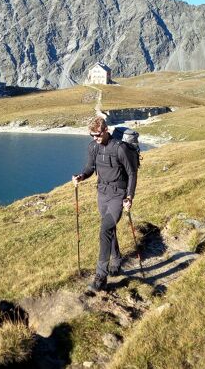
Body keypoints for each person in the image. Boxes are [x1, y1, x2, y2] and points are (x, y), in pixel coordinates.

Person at [73, 116, 138, 291]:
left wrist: (129, 196)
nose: (95, 138)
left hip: (118, 195)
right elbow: (90, 168)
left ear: (106, 130)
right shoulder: (93, 147)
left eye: (97, 134)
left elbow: (132, 173)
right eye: (92, 135)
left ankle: (101, 277)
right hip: (102, 193)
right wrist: (81, 176)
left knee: (105, 230)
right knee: (109, 229)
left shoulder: (120, 148)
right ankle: (116, 261)